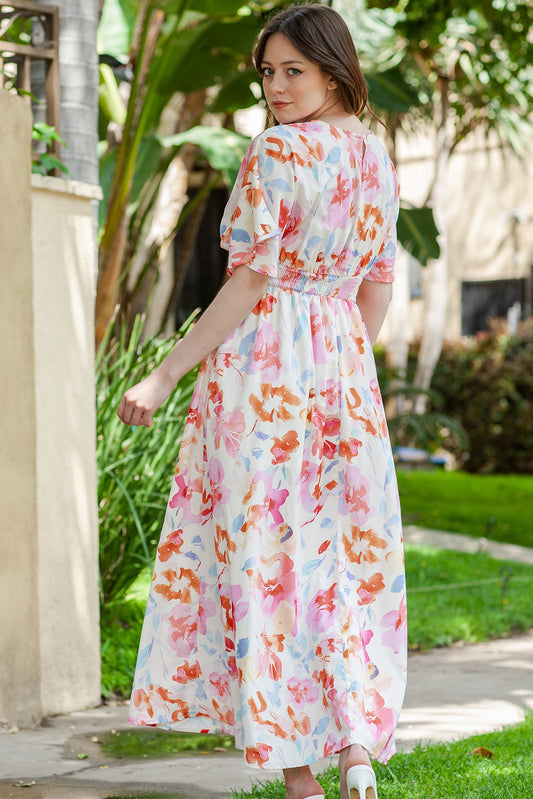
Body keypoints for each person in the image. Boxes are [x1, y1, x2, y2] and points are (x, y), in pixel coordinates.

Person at [117, 4, 407, 799]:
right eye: (268, 72)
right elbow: (378, 288)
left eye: (293, 71)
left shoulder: (276, 151)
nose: (276, 87)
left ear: (333, 71)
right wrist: (340, 372)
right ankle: (354, 749)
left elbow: (248, 283)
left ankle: (301, 778)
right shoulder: (374, 156)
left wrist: (163, 375)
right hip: (342, 375)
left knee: (268, 561)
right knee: (339, 560)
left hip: (264, 373)